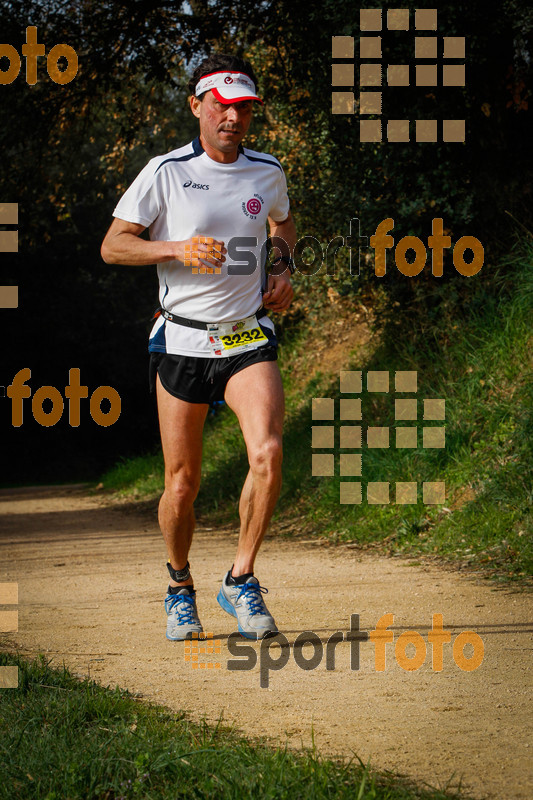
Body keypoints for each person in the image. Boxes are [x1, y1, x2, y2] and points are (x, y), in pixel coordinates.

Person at [101, 54, 297, 641]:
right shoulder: (164, 171)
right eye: (220, 105)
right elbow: (113, 247)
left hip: (245, 333)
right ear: (197, 106)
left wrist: (283, 267)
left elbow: (281, 226)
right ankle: (179, 585)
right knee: (181, 484)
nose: (231, 118)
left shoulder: (268, 172)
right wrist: (175, 250)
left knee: (267, 453)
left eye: (242, 108)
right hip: (182, 337)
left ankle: (241, 578)